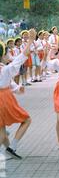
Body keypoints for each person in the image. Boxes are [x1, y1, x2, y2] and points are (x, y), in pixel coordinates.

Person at [0, 29, 36, 159]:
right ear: (2, 56)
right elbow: (22, 57)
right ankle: (12, 147)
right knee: (26, 119)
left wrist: (16, 88)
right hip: (3, 98)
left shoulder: (5, 69)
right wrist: (31, 39)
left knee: (2, 129)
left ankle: (9, 150)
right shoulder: (5, 69)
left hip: (4, 95)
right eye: (6, 54)